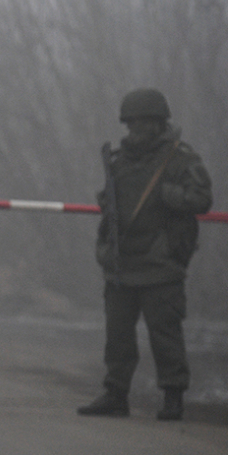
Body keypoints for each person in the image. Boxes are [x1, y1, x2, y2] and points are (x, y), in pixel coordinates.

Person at [79, 88, 212, 421]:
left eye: (144, 121)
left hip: (161, 264)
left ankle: (172, 396)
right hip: (123, 263)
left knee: (165, 334)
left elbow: (201, 198)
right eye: (132, 122)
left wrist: (168, 195)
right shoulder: (119, 160)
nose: (136, 128)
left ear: (158, 122)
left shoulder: (180, 158)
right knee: (118, 335)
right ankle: (115, 393)